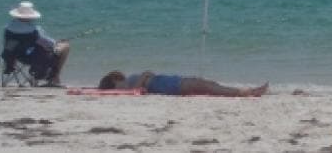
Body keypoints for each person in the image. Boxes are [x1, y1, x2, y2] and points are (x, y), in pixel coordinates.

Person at [4, 1, 70, 86]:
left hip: (16, 56)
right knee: (65, 46)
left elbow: (6, 45)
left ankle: (52, 78)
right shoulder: (34, 31)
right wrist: (58, 43)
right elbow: (49, 44)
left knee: (49, 48)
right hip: (33, 58)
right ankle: (54, 77)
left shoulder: (8, 29)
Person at [98, 71, 268, 97]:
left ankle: (245, 91)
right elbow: (135, 88)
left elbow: (147, 73)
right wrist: (143, 78)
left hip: (169, 82)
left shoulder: (128, 82)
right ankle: (245, 92)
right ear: (113, 81)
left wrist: (144, 77)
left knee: (207, 84)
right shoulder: (124, 86)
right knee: (207, 86)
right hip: (171, 85)